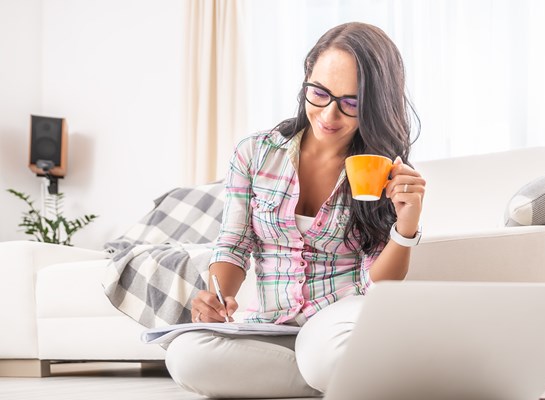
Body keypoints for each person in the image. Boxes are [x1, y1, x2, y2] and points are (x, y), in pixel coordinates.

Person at [164, 22, 425, 398]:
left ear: (375, 103)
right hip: (272, 324)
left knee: (329, 353)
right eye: (319, 93)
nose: (329, 115)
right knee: (186, 356)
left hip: (339, 316)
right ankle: (339, 378)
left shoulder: (382, 170)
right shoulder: (255, 153)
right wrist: (217, 298)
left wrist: (408, 224)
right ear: (306, 78)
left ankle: (334, 370)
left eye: (351, 103)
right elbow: (233, 243)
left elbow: (379, 282)